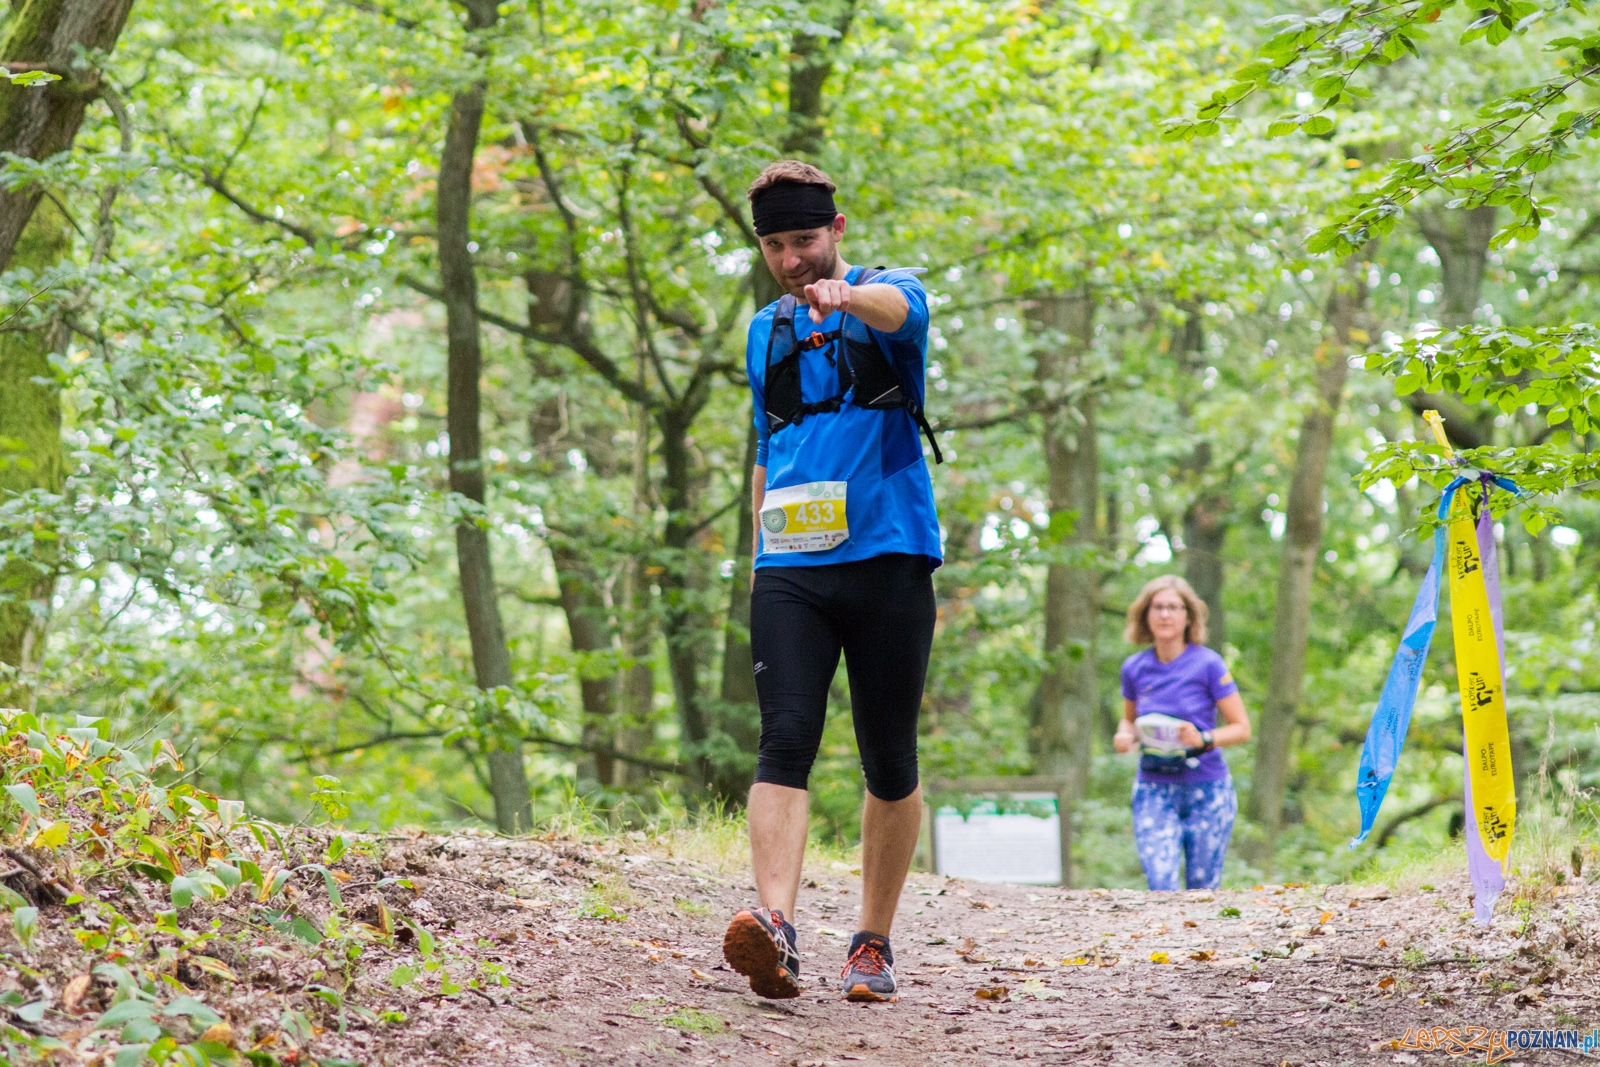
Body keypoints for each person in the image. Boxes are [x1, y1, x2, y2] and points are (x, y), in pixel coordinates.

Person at [720, 160, 941, 1004]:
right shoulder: (762, 331)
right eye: (775, 245)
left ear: (837, 230)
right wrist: (755, 564)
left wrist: (844, 296)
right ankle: (775, 928)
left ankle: (872, 943)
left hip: (889, 555)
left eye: (804, 239)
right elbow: (766, 448)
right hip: (790, 570)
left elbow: (900, 312)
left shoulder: (890, 297)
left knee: (889, 757)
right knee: (784, 739)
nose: (791, 259)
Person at [1113, 575, 1251, 891]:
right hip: (1153, 787)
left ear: (1188, 617)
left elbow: (1242, 729)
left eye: (1174, 608)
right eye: (1158, 607)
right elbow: (1129, 722)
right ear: (1145, 615)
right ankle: (1163, 942)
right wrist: (1125, 738)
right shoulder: (1134, 668)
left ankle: (1199, 943)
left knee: (1201, 889)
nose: (1165, 615)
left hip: (1207, 787)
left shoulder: (1208, 664)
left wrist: (1204, 739)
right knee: (1161, 884)